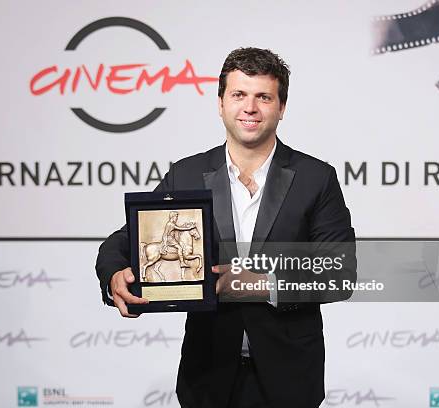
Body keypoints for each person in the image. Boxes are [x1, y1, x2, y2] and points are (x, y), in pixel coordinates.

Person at [96, 47, 356, 408]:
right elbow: (124, 240)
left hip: (290, 380)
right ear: (221, 103)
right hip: (207, 378)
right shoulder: (186, 175)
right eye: (238, 95)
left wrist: (264, 285)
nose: (250, 108)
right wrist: (114, 276)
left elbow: (339, 272)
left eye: (263, 97)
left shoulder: (316, 178)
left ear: (281, 108)